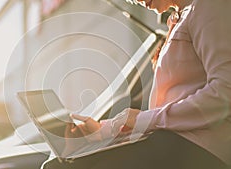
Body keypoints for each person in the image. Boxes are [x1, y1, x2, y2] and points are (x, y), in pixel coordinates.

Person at [42, 0, 231, 168]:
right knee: (59, 164)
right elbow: (162, 115)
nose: (134, 1)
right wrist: (101, 131)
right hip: (171, 143)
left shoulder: (208, 6)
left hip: (197, 149)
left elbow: (225, 92)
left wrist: (146, 119)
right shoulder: (179, 17)